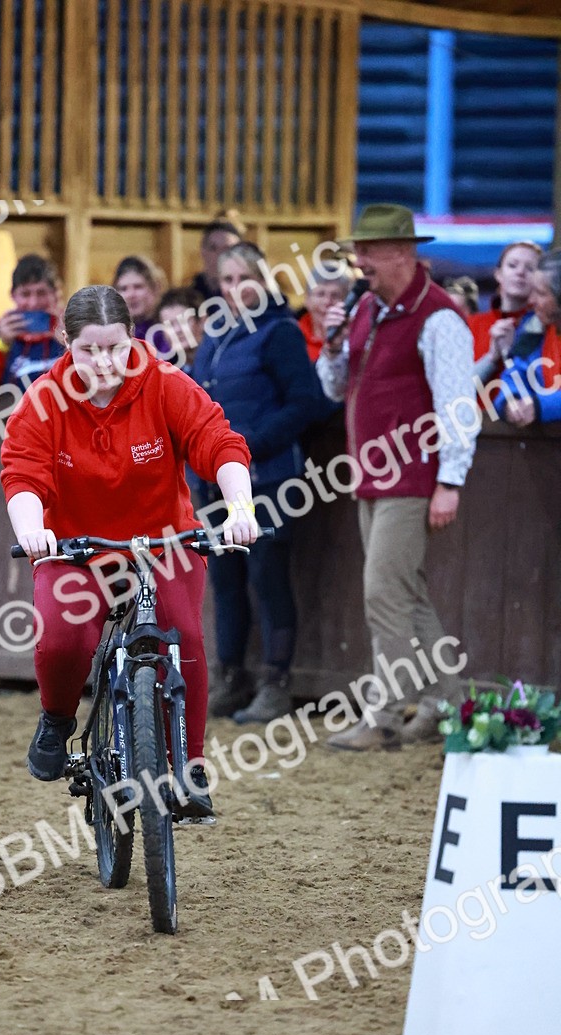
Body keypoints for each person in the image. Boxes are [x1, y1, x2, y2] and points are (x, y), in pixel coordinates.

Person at [0, 284, 256, 814]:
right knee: (62, 642)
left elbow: (218, 441)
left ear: (132, 338)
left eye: (115, 346)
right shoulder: (43, 401)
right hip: (76, 548)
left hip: (163, 543)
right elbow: (22, 470)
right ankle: (57, 719)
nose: (103, 361)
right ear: (64, 340)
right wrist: (32, 529)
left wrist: (241, 507)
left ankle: (189, 767)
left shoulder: (164, 385)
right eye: (88, 348)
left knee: (182, 636)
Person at [317, 204, 477, 751]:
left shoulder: (439, 318)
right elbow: (336, 387)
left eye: (369, 250)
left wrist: (450, 480)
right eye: (358, 250)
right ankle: (449, 704)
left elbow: (458, 404)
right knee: (407, 595)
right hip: (376, 474)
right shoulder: (366, 308)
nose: (358, 260)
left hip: (412, 475)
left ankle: (384, 715)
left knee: (384, 592)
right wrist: (333, 345)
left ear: (404, 254)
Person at [192, 242, 327, 724]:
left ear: (262, 279)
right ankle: (231, 677)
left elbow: (304, 403)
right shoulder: (215, 333)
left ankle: (276, 682)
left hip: (267, 479)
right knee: (226, 582)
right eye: (225, 282)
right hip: (213, 481)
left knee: (267, 579)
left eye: (242, 280)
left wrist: (250, 446)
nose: (233, 291)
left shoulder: (280, 332)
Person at [0, 254, 64, 397]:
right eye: (25, 294)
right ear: (13, 295)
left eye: (41, 293)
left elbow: (94, 381)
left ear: (56, 294)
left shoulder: (72, 332)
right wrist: (2, 345)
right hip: (14, 417)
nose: (33, 303)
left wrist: (70, 344)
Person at [494, 249, 561, 426]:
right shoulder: (534, 327)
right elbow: (516, 373)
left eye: (541, 293)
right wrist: (511, 400)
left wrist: (541, 406)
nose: (531, 300)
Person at [469, 241, 541, 385]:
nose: (520, 272)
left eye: (530, 268)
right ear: (498, 274)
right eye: (512, 265)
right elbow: (455, 390)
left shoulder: (548, 326)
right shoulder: (470, 324)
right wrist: (492, 357)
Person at [297, 263, 355, 362]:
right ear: (307, 300)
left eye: (335, 295)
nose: (327, 302)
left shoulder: (357, 338)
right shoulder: (292, 337)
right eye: (320, 294)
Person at [112, 255, 167, 341]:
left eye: (138, 287)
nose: (131, 295)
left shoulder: (170, 329)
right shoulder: (112, 333)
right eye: (124, 289)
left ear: (155, 288)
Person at [153, 286, 205, 373]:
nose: (177, 330)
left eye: (183, 322)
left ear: (202, 321)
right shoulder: (165, 372)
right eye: (169, 325)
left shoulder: (223, 360)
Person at [192, 220, 242, 301]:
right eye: (213, 248)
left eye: (227, 249)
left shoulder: (253, 299)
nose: (220, 255)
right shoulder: (187, 300)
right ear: (202, 252)